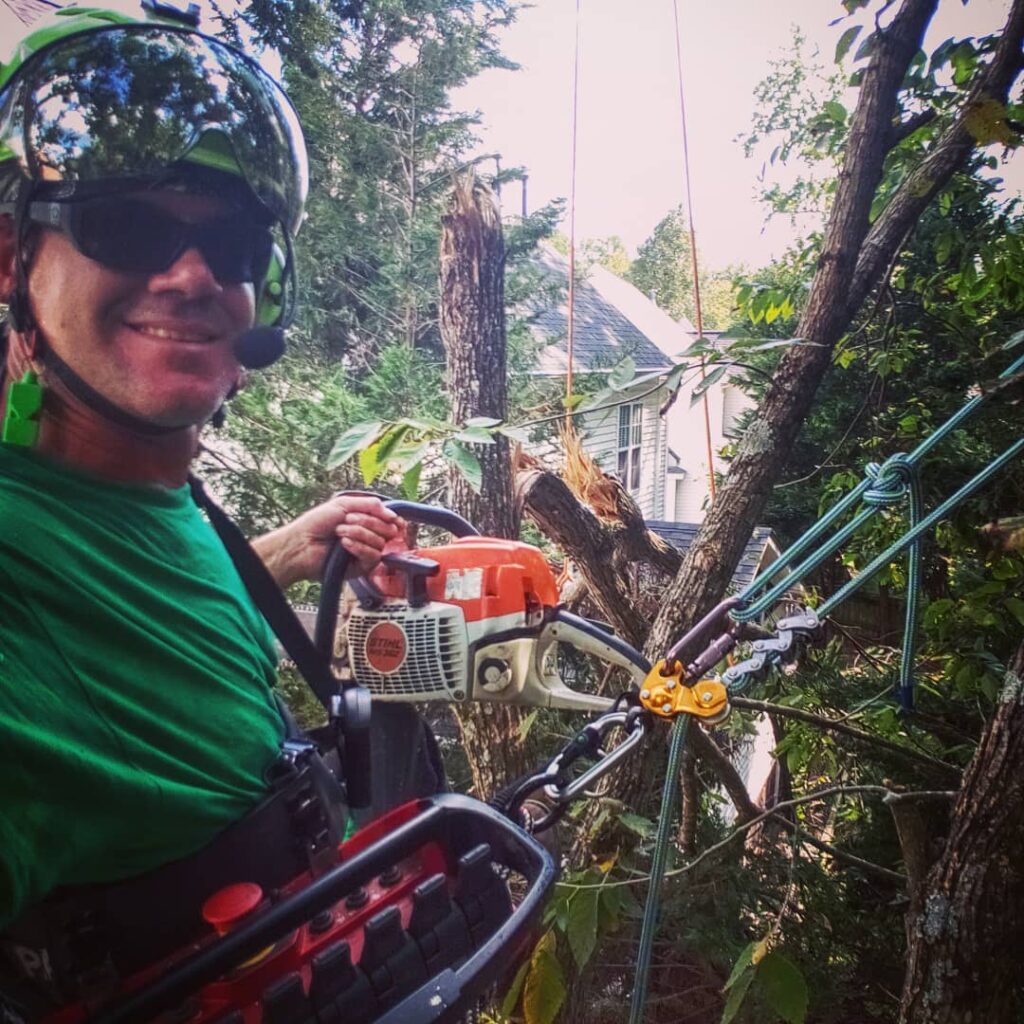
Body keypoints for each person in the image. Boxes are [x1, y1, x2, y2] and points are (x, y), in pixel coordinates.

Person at [0, 3, 442, 1014]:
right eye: (127, 226)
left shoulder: (144, 488)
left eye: (233, 243)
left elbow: (144, 633)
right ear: (10, 259)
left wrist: (298, 540)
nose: (193, 275)